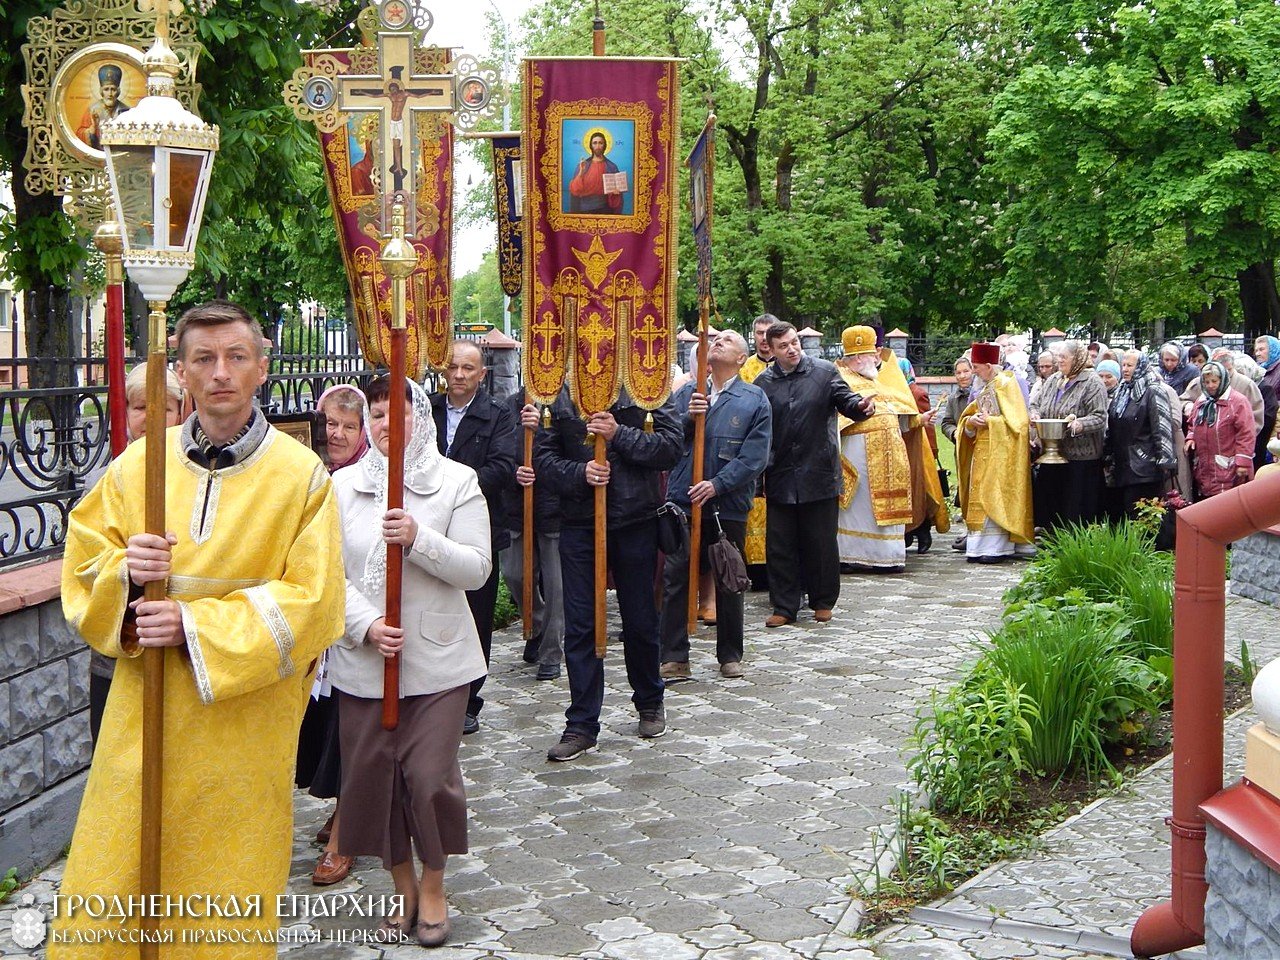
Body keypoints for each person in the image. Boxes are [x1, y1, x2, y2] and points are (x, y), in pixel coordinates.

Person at [57, 300, 345, 954]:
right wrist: (127, 573)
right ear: (179, 374)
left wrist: (194, 624)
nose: (221, 373)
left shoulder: (300, 477)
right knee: (121, 873)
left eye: (237, 357)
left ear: (262, 368)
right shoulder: (140, 466)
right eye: (203, 359)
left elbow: (315, 600)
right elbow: (82, 562)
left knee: (225, 884)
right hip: (145, 713)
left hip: (242, 727)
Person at [330, 376, 490, 946]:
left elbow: (476, 568)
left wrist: (419, 537)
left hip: (438, 661)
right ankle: (401, 887)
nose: (383, 426)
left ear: (420, 417)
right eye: (375, 414)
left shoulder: (456, 481)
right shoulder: (343, 486)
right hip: (365, 662)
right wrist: (365, 626)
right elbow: (327, 574)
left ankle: (435, 882)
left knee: (427, 779)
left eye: (397, 413)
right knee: (374, 782)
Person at [534, 386, 682, 761]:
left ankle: (650, 699)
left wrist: (621, 434)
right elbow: (544, 460)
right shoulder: (560, 388)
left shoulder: (646, 380)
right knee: (581, 623)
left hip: (636, 519)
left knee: (639, 619)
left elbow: (670, 448)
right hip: (580, 523)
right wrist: (580, 472)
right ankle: (582, 723)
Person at [659, 331, 771, 680]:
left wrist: (717, 484)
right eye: (715, 339)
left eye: (728, 340)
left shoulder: (754, 400)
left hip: (727, 505)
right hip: (682, 499)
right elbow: (665, 444)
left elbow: (755, 456)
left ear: (742, 358)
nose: (718, 341)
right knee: (676, 577)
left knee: (728, 576)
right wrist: (687, 420)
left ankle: (730, 653)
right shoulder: (685, 396)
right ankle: (675, 655)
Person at [87, 362, 184, 749]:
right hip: (119, 662)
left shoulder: (207, 476)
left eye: (165, 407)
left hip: (182, 660)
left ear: (182, 411)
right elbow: (83, 565)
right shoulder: (107, 481)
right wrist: (127, 569)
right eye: (141, 407)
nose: (152, 418)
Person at [755, 321, 874, 627]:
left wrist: (861, 407)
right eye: (783, 346)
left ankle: (822, 600)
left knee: (820, 541)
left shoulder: (823, 372)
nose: (791, 349)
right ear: (771, 351)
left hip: (819, 469)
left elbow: (846, 401)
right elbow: (756, 430)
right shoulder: (763, 383)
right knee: (780, 543)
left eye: (794, 342)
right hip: (780, 471)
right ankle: (784, 605)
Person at [297, 384, 369, 887]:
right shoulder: (313, 476)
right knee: (326, 726)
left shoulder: (373, 479)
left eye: (348, 426)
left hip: (360, 620)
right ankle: (348, 811)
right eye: (331, 426)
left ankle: (349, 829)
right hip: (316, 621)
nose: (337, 434)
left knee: (355, 727)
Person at [430, 340, 517, 735]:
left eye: (468, 369)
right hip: (427, 526)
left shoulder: (497, 415)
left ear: (482, 375)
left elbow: (502, 466)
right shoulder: (426, 410)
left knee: (476, 615)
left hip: (477, 526)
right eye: (453, 368)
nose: (459, 375)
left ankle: (469, 699)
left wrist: (453, 490)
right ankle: (431, 690)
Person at [831, 328, 914, 573]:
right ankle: (853, 555)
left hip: (891, 453)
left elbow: (899, 409)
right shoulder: (840, 377)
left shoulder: (874, 379)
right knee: (859, 506)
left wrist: (916, 419)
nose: (877, 359)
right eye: (872, 354)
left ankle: (888, 556)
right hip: (858, 451)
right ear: (857, 357)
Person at [502, 395, 564, 681]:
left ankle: (552, 650)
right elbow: (501, 449)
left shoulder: (566, 404)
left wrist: (541, 432)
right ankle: (536, 623)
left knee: (555, 585)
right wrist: (514, 470)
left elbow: (572, 448)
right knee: (514, 573)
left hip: (555, 506)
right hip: (518, 505)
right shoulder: (510, 405)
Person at [957, 342, 1035, 563]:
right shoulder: (983, 386)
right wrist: (970, 422)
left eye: (977, 367)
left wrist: (989, 422)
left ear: (989, 365)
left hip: (1001, 453)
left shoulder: (1007, 384)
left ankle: (996, 548)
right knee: (979, 496)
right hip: (981, 450)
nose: (973, 371)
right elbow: (967, 418)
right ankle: (978, 547)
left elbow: (1018, 424)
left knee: (994, 495)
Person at [1030, 339, 1109, 530]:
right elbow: (1035, 403)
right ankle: (1052, 536)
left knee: (1075, 508)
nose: (1060, 361)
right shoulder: (1053, 380)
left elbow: (1100, 416)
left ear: (1078, 358)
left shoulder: (1092, 382)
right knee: (1052, 502)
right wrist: (1035, 414)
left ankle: (1074, 543)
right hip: (1052, 453)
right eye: (1058, 357)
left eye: (1064, 357)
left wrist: (1079, 424)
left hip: (1081, 458)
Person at [1105, 351, 1176, 520]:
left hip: (1144, 466)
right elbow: (1113, 425)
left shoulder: (1153, 390)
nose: (1125, 369)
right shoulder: (1122, 391)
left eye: (1130, 365)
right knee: (1122, 514)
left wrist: (1165, 461)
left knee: (1143, 515)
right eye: (1123, 365)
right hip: (1122, 465)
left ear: (1141, 366)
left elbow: (1162, 427)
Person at [896, 357, 949, 554]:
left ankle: (922, 531)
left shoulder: (916, 393)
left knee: (919, 492)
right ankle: (908, 533)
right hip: (903, 446)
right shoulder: (899, 392)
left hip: (917, 449)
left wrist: (932, 452)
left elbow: (927, 427)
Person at [739, 314, 775, 589]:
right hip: (753, 444)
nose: (764, 338)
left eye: (769, 333)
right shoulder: (745, 368)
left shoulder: (788, 365)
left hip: (782, 449)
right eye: (759, 333)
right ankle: (754, 566)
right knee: (753, 505)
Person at [1187, 360, 1256, 499]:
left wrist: (1243, 462)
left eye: (1214, 381)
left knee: (1229, 504)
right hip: (1204, 465)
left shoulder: (1238, 402)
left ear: (1222, 380)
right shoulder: (1201, 402)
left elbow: (1246, 433)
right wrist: (1191, 437)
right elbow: (1192, 423)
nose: (1210, 386)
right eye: (1206, 382)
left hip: (1229, 467)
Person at [1183, 349, 1264, 433]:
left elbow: (1256, 417)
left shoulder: (1246, 385)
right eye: (1220, 371)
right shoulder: (1200, 382)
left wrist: (1242, 439)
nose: (1225, 374)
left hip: (1234, 440)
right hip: (1203, 440)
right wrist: (1188, 406)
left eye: (1228, 370)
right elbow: (1183, 400)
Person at [76, 63, 132, 149]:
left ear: (118, 91)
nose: (110, 94)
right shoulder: (92, 110)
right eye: (106, 89)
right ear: (101, 91)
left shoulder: (126, 110)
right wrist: (92, 130)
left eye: (113, 89)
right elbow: (80, 133)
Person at [568, 132, 623, 214]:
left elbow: (617, 194)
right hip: (584, 209)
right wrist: (581, 173)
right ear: (591, 145)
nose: (597, 146)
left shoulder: (612, 167)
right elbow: (575, 191)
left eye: (600, 143)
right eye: (595, 143)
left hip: (605, 208)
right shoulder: (583, 165)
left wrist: (616, 193)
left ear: (604, 145)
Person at [1253, 335, 1280, 468]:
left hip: (1276, 425)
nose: (1258, 353)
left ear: (1273, 349)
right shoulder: (1261, 371)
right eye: (1256, 350)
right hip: (1265, 423)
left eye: (1262, 349)